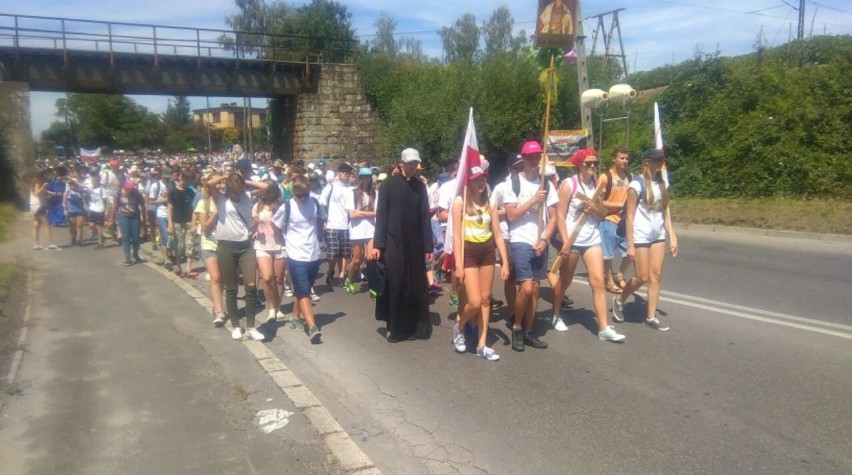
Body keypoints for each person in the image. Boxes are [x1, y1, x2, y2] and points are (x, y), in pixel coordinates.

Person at [552, 148, 625, 342]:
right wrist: (565, 240)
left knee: (598, 282)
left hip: (592, 238)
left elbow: (601, 215)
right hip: (573, 238)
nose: (592, 166)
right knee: (565, 281)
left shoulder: (598, 186)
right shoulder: (569, 184)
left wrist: (595, 209)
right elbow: (560, 214)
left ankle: (603, 328)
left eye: (594, 163)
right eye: (588, 163)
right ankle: (556, 314)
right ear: (579, 165)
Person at [371, 148, 434, 342]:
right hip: (393, 243)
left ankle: (416, 327)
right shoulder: (388, 185)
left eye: (415, 163)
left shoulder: (420, 186)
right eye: (410, 163)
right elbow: (381, 216)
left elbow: (425, 218)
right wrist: (377, 244)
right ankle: (395, 327)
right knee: (396, 284)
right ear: (401, 163)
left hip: (415, 245)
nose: (413, 166)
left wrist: (428, 247)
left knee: (415, 285)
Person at [612, 149, 678, 331]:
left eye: (661, 162)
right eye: (656, 162)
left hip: (657, 235)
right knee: (642, 276)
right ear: (647, 162)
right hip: (641, 235)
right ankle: (619, 299)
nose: (659, 165)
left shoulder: (661, 183)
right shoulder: (636, 185)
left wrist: (672, 235)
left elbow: (665, 211)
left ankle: (651, 316)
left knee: (655, 275)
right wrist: (631, 245)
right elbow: (630, 217)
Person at [504, 141, 558, 352]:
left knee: (535, 289)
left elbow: (553, 217)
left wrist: (544, 239)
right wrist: (534, 200)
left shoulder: (547, 184)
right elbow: (511, 215)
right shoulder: (513, 184)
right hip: (520, 240)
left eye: (537, 157)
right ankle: (517, 326)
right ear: (523, 159)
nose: (533, 161)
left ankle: (528, 331)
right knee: (526, 287)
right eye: (530, 157)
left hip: (539, 241)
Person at [452, 165, 509, 361]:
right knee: (474, 302)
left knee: (485, 300)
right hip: (468, 252)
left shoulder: (490, 202)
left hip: (486, 252)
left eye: (483, 179)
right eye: (476, 179)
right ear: (468, 181)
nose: (481, 183)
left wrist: (505, 262)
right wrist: (458, 265)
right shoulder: (459, 202)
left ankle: (481, 345)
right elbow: (456, 236)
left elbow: (498, 235)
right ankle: (459, 326)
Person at [207, 172, 270, 341]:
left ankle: (251, 327)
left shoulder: (246, 195)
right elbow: (209, 185)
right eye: (235, 191)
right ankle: (236, 325)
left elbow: (266, 186)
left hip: (245, 247)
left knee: (251, 285)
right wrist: (225, 176)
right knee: (232, 288)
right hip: (226, 247)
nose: (238, 194)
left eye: (240, 190)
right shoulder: (220, 198)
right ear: (228, 189)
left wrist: (244, 181)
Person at [273, 175, 326, 342]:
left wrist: (317, 237)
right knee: (304, 292)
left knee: (305, 288)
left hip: (314, 254)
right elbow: (276, 225)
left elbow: (320, 221)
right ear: (293, 193)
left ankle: (295, 318)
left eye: (306, 194)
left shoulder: (315, 203)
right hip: (296, 255)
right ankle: (312, 326)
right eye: (299, 195)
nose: (303, 198)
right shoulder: (287, 207)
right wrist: (283, 241)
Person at [599, 147, 633, 293]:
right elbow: (599, 203)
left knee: (633, 251)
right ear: (614, 159)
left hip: (626, 222)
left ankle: (620, 274)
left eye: (626, 158)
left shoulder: (630, 177)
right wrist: (620, 205)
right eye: (621, 158)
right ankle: (609, 281)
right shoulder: (605, 177)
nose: (624, 161)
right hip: (609, 221)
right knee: (607, 255)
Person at [194, 173, 226, 326]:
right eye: (219, 183)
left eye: (223, 183)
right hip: (208, 244)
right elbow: (205, 226)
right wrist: (216, 213)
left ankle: (217, 305)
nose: (221, 185)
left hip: (224, 244)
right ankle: (219, 312)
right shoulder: (203, 202)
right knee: (215, 277)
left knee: (223, 279)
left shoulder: (227, 200)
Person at [253, 180, 287, 324]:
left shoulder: (282, 206)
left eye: (266, 190)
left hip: (280, 244)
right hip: (262, 244)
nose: (263, 193)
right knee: (267, 278)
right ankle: (271, 308)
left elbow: (287, 224)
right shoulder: (257, 206)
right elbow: (251, 227)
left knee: (279, 278)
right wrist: (254, 224)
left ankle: (278, 306)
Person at [322, 163, 355, 288]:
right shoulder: (331, 187)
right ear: (338, 173)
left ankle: (341, 275)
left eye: (347, 172)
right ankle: (331, 271)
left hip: (346, 225)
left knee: (344, 253)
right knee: (333, 252)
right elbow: (321, 202)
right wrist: (324, 220)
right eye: (343, 172)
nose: (345, 174)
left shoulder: (351, 189)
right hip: (332, 224)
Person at [345, 167, 377, 294]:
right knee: (357, 259)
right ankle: (349, 279)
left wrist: (360, 212)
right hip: (356, 229)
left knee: (371, 257)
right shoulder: (352, 193)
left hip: (370, 229)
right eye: (364, 177)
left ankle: (373, 284)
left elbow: (377, 213)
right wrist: (368, 213)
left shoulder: (374, 193)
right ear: (359, 178)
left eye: (368, 177)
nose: (366, 179)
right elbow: (351, 215)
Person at [167, 169, 197, 278]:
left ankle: (189, 268)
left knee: (190, 244)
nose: (189, 183)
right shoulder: (173, 191)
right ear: (182, 178)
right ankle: (178, 265)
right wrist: (170, 223)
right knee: (179, 245)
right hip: (177, 222)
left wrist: (194, 224)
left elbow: (194, 208)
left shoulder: (190, 192)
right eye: (187, 180)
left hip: (189, 221)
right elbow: (170, 208)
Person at [114, 181, 145, 266]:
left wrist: (144, 219)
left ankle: (135, 253)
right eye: (128, 189)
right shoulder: (119, 193)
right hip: (123, 216)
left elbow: (142, 206)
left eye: (131, 189)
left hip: (135, 216)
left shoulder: (137, 194)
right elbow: (115, 205)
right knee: (126, 237)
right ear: (125, 188)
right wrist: (112, 218)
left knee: (136, 238)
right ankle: (128, 258)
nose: (129, 191)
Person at [30, 170, 59, 250]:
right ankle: (50, 244)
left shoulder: (35, 182)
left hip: (33, 206)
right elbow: (36, 193)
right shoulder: (38, 183)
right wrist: (43, 187)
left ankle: (36, 245)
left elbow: (40, 192)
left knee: (36, 225)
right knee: (47, 224)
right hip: (39, 205)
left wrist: (49, 192)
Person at [86, 172, 107, 249]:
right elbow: (80, 185)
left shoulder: (102, 189)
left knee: (99, 226)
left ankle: (100, 243)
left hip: (100, 209)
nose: (92, 181)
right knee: (91, 225)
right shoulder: (90, 187)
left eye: (93, 180)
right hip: (92, 208)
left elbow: (105, 200)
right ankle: (101, 236)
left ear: (97, 180)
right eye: (91, 179)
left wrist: (106, 210)